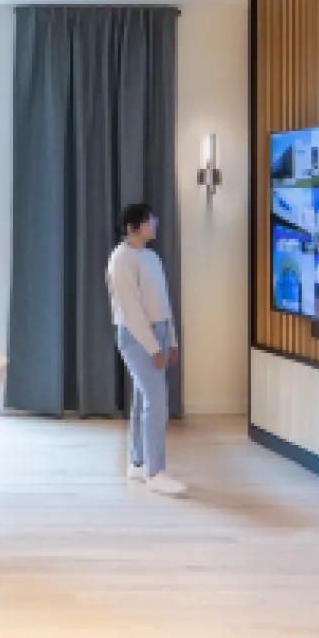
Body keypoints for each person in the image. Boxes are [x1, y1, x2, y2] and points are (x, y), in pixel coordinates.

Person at [107, 202, 185, 496]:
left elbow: (163, 304)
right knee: (156, 401)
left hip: (159, 331)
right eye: (149, 220)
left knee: (143, 400)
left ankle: (138, 463)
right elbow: (131, 310)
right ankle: (156, 471)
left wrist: (171, 339)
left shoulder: (152, 257)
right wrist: (153, 347)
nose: (155, 222)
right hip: (137, 337)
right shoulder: (121, 259)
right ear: (133, 227)